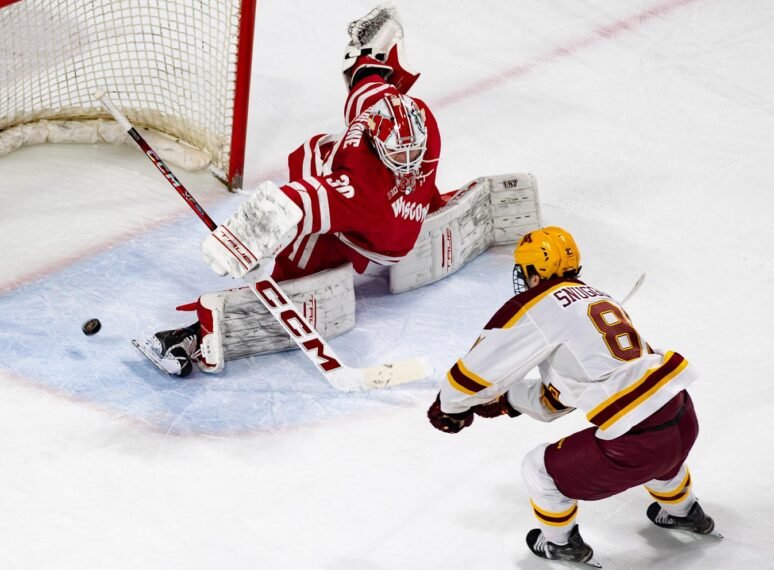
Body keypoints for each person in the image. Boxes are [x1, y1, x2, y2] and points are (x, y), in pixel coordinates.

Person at [138, 3, 444, 376]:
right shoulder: (409, 116)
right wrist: (368, 51)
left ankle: (290, 274)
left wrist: (238, 242)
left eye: (411, 152)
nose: (408, 159)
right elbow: (366, 75)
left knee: (310, 161)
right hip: (396, 212)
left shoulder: (357, 186)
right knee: (324, 148)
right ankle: (430, 201)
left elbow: (293, 203)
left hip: (373, 236)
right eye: (398, 152)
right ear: (373, 136)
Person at [426, 226, 717, 566]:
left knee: (538, 469)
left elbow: (476, 371)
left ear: (535, 273)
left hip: (638, 442)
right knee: (661, 456)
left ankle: (561, 545)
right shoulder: (597, 296)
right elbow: (560, 398)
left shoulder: (536, 305)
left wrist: (450, 407)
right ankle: (685, 511)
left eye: (524, 270)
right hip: (682, 416)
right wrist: (508, 402)